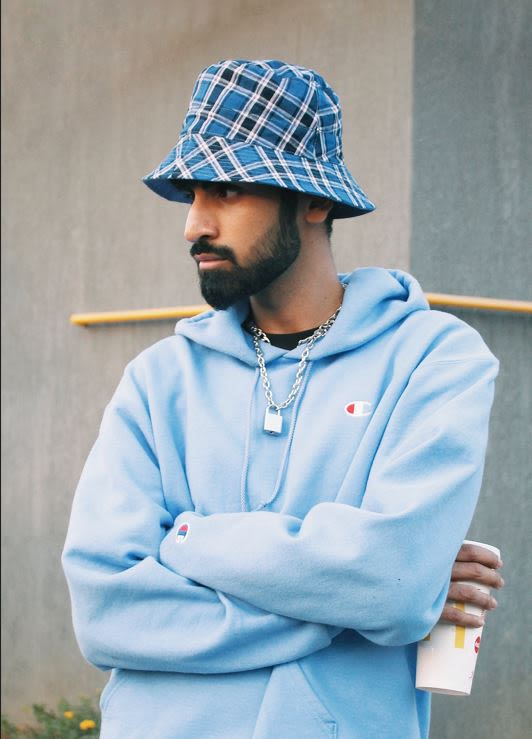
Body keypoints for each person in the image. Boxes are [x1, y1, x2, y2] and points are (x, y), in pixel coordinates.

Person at [62, 59, 504, 739]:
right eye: (192, 193)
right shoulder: (157, 382)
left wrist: (187, 539)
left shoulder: (435, 360)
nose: (194, 225)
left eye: (229, 190)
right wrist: (359, 595)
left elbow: (390, 584)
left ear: (314, 202)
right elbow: (106, 610)